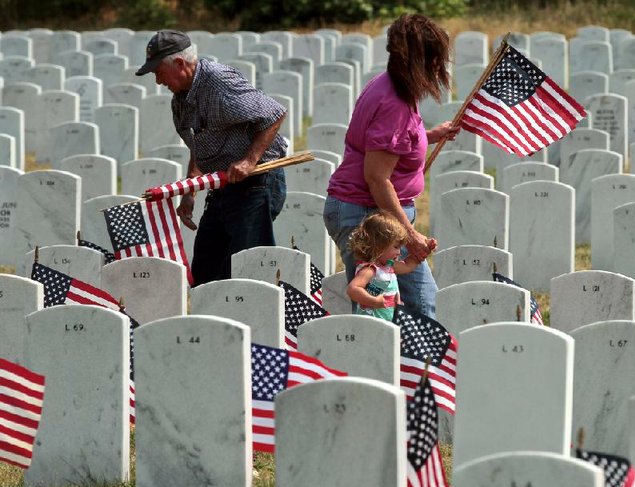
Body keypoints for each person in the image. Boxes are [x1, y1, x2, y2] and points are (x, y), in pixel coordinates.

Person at [323, 14, 459, 318]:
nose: (440, 67)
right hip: (368, 213)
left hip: (369, 210)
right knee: (408, 308)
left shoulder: (386, 84)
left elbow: (387, 142)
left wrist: (430, 136)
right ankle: (402, 365)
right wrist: (411, 235)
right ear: (421, 59)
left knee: (404, 309)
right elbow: (377, 178)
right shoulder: (395, 103)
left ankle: (403, 364)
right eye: (436, 59)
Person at [135, 29, 288, 286]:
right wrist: (190, 190)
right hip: (222, 184)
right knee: (207, 268)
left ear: (180, 64)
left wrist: (249, 161)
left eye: (158, 71)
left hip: (256, 181)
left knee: (245, 267)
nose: (158, 81)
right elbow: (199, 142)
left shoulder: (218, 81)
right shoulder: (180, 98)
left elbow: (274, 114)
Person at [346, 211, 435, 321]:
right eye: (396, 247)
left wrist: (423, 252)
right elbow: (353, 289)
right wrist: (374, 301)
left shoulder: (388, 266)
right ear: (379, 246)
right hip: (374, 322)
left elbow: (407, 265)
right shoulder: (369, 269)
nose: (399, 252)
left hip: (389, 320)